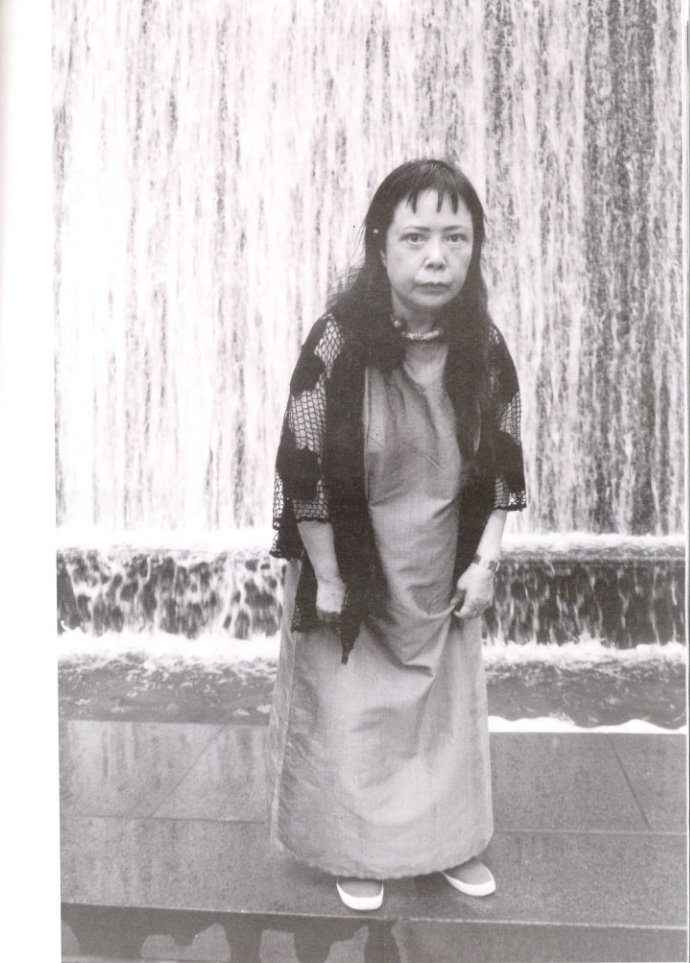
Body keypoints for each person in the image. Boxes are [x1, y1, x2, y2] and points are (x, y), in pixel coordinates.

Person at [266, 159, 526, 911]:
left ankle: (445, 843)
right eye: (416, 237)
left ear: (474, 248)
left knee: (442, 715)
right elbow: (301, 460)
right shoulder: (336, 342)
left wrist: (486, 561)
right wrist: (329, 574)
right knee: (353, 708)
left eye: (455, 237)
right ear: (381, 245)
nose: (436, 256)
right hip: (348, 554)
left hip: (440, 557)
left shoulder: (483, 344)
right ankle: (356, 846)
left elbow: (504, 456)